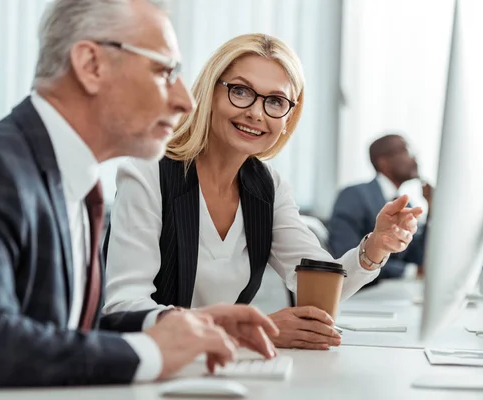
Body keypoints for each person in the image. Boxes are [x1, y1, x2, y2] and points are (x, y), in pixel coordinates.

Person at [0, 0, 279, 392]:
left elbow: (66, 327)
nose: (186, 102)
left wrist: (176, 324)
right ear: (91, 65)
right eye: (164, 71)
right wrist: (150, 353)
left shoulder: (79, 183)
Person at [103, 34, 423, 351]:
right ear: (210, 92)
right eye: (240, 91)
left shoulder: (268, 186)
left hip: (224, 372)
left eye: (275, 101)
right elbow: (125, 310)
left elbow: (322, 290)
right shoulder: (148, 172)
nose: (256, 113)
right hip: (146, 372)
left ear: (288, 118)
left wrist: (377, 247)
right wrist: (252, 330)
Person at [328, 134, 431, 281]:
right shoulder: (354, 195)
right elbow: (345, 255)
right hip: (360, 294)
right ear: (384, 162)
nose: (415, 159)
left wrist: (432, 210)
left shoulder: (406, 205)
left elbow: (418, 257)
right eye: (407, 152)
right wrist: (410, 271)